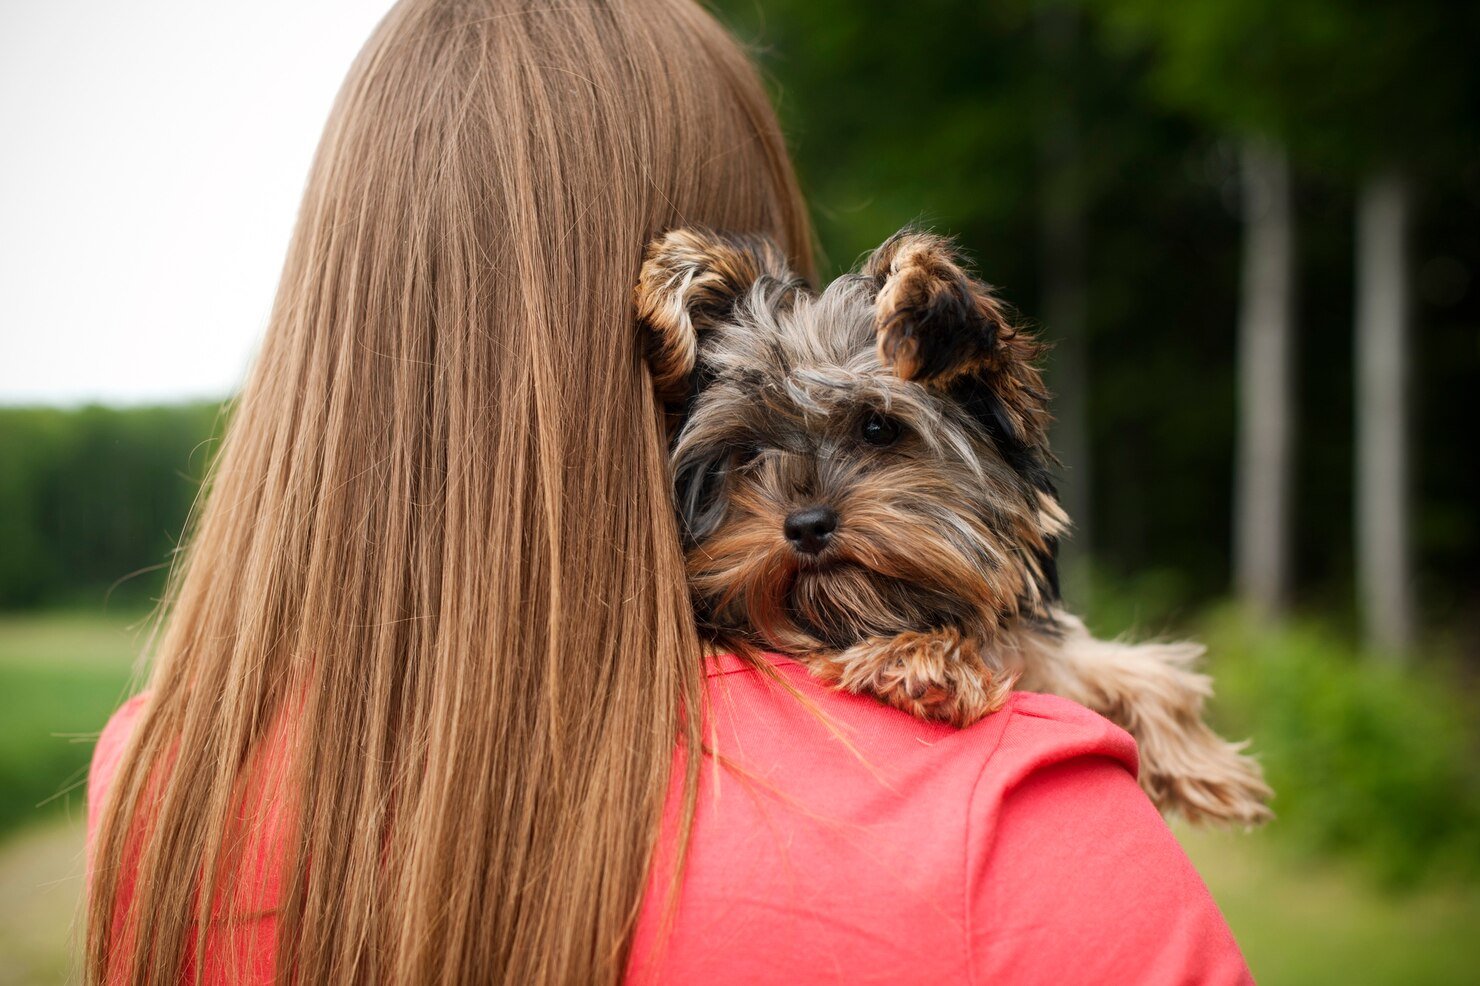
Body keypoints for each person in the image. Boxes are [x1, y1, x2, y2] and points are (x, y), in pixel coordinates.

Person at [86, 1, 1253, 983]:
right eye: (744, 459)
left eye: (868, 437)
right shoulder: (1014, 819)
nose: (801, 504)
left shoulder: (161, 783)